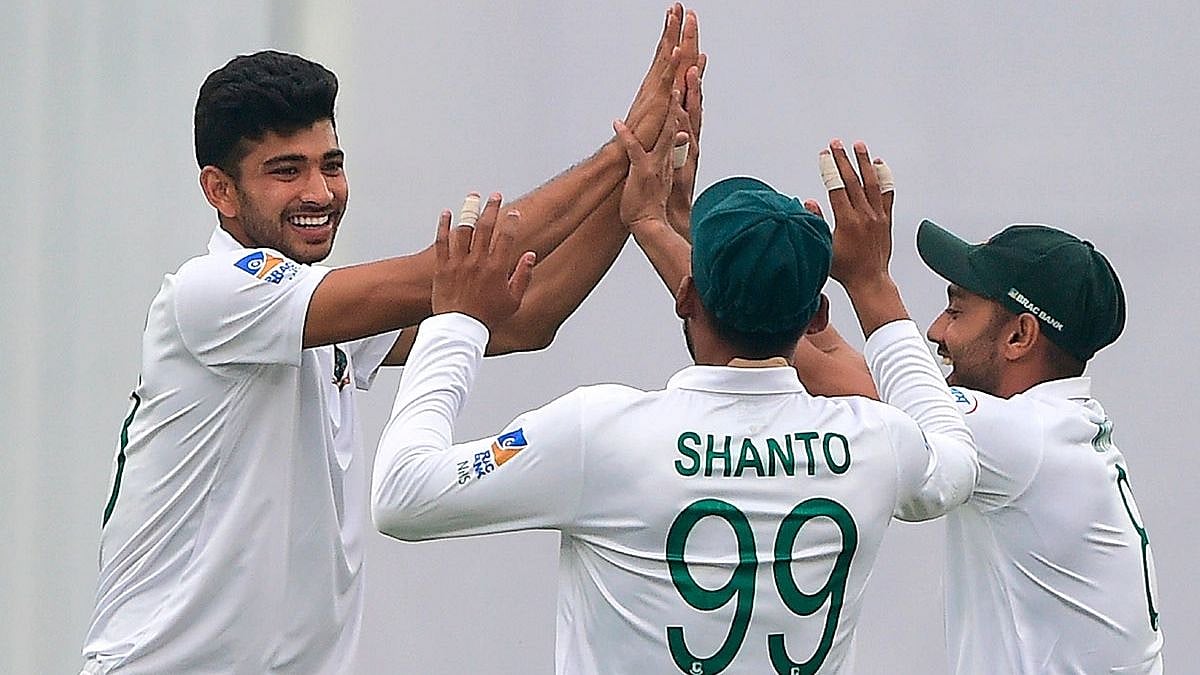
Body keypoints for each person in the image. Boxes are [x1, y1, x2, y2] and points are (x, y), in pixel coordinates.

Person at [82, 7, 705, 672]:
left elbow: (524, 318)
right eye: (285, 170)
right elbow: (453, 271)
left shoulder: (315, 310)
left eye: (331, 163)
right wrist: (622, 150)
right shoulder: (211, 292)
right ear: (219, 190)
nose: (320, 191)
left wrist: (635, 202)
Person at [369, 97, 979, 673]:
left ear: (687, 294)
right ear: (818, 315)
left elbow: (403, 496)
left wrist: (455, 322)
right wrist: (871, 281)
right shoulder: (877, 442)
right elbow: (953, 462)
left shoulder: (600, 433)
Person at [794, 145, 1165, 673]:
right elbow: (860, 375)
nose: (936, 331)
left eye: (955, 308)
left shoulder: (1025, 440)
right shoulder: (1052, 430)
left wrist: (865, 281)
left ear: (1019, 334)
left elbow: (843, 381)